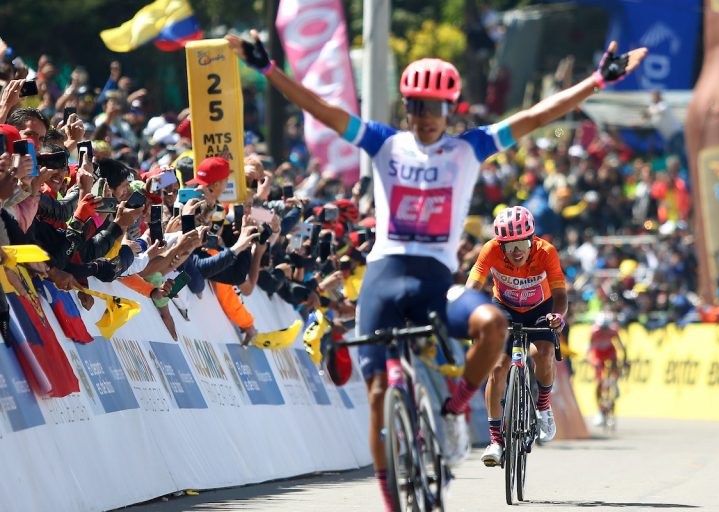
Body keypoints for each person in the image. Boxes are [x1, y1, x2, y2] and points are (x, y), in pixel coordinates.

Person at [226, 30, 646, 511]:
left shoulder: (469, 148)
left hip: (432, 280)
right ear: (406, 109)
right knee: (378, 393)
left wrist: (596, 81)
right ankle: (391, 501)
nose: (425, 117)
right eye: (416, 107)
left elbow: (534, 117)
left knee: (493, 326)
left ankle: (452, 412)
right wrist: (269, 69)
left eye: (435, 108)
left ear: (450, 110)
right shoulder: (384, 143)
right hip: (383, 276)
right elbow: (322, 109)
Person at [466, 206, 568, 466]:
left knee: (543, 354)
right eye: (509, 245)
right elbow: (473, 285)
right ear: (499, 244)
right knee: (497, 368)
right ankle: (495, 440)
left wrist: (557, 317)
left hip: (541, 308)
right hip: (505, 308)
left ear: (532, 239)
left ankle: (543, 405)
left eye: (522, 243)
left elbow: (560, 294)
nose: (517, 251)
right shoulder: (490, 249)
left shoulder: (546, 251)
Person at [589, 312, 627, 427]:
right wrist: (592, 361)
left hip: (610, 353)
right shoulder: (594, 332)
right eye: (602, 328)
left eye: (606, 328)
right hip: (598, 355)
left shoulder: (613, 331)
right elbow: (589, 349)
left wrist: (625, 360)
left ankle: (614, 384)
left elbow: (621, 346)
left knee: (613, 375)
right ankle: (600, 410)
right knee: (599, 384)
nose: (604, 331)